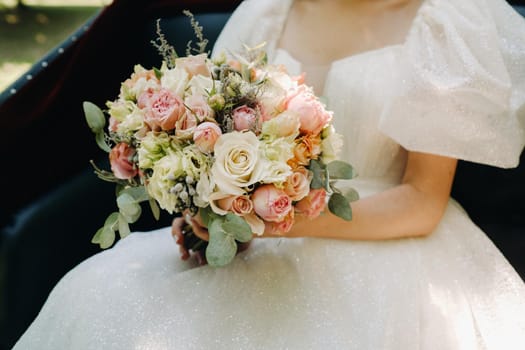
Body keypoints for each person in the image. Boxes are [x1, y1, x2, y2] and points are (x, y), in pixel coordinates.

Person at [12, 0, 525, 349]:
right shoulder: (268, 10)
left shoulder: (446, 19)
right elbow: (216, 127)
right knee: (99, 295)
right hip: (257, 240)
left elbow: (422, 201)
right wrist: (212, 210)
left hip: (391, 243)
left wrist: (279, 220)